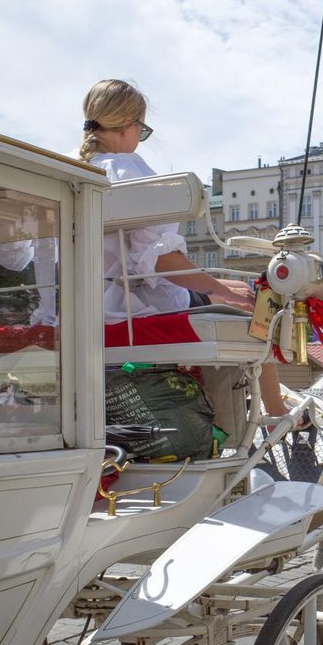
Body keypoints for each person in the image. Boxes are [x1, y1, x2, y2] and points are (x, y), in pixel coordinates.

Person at [79, 79, 289, 419]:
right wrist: (223, 291)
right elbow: (160, 259)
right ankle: (271, 417)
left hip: (83, 308)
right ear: (128, 126)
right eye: (142, 130)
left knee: (230, 291)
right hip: (129, 309)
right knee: (256, 304)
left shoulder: (76, 169)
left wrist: (220, 289)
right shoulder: (126, 169)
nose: (139, 139)